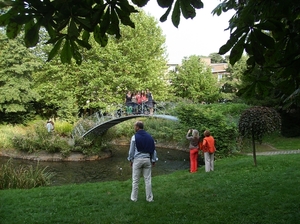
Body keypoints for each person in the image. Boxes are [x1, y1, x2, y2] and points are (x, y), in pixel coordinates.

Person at [128, 120, 157, 202]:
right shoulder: (150, 137)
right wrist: (153, 160)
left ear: (137, 127)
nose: (134, 128)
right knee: (148, 180)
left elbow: (131, 151)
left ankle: (134, 199)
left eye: (135, 126)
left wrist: (130, 160)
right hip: (147, 160)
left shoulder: (134, 137)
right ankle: (149, 198)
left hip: (137, 160)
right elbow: (153, 150)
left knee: (135, 180)